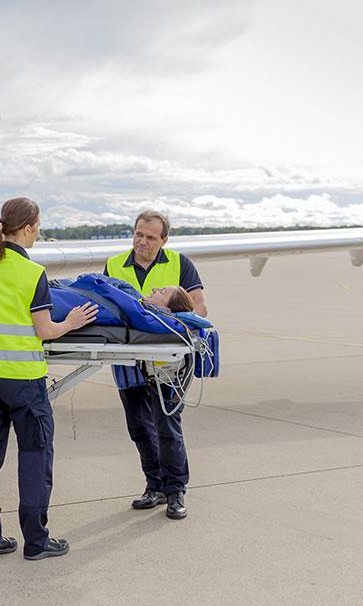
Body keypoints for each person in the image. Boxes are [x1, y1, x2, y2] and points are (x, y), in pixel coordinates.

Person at [0, 197, 97, 560]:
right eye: (38, 227)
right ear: (29, 228)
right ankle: (36, 542)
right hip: (25, 382)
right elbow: (44, 330)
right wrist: (71, 323)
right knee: (34, 459)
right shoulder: (33, 274)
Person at [105, 210, 207, 520]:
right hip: (128, 360)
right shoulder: (114, 264)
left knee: (167, 426)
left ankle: (176, 491)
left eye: (151, 237)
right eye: (138, 234)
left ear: (163, 240)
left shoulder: (180, 263)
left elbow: (199, 306)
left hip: (169, 361)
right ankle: (155, 486)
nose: (142, 241)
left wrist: (161, 320)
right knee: (139, 427)